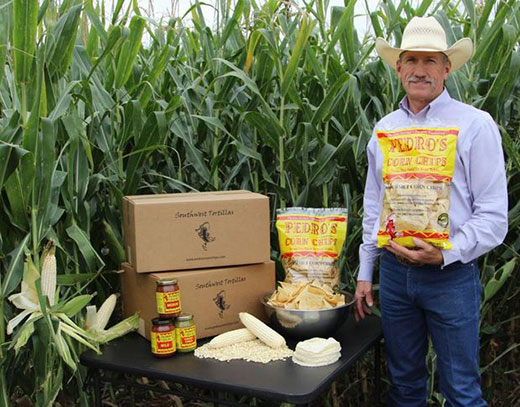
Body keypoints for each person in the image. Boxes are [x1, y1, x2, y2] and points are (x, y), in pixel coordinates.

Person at [355, 16, 508, 407]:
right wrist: (365, 272)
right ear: (398, 67)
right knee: (404, 387)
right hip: (393, 276)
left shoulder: (475, 126)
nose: (420, 71)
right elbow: (374, 205)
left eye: (431, 61)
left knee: (462, 391)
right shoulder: (384, 129)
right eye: (411, 60)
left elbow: (493, 216)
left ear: (447, 67)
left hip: (450, 277)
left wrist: (446, 252)